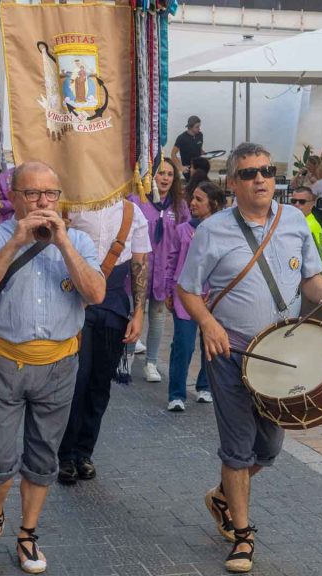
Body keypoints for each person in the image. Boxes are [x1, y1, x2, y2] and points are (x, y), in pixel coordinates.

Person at [177, 142, 322, 573]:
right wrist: (208, 325)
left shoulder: (293, 221)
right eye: (250, 173)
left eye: (267, 171)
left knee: (268, 447)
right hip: (229, 351)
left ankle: (221, 496)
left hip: (278, 355)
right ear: (232, 183)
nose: (260, 179)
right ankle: (243, 534)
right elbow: (187, 289)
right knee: (237, 446)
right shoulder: (211, 230)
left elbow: (310, 277)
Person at [0, 162, 105, 573]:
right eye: (32, 194)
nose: (43, 202)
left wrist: (63, 244)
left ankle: (28, 533)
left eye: (51, 194)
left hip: (60, 365)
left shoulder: (77, 239)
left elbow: (95, 293)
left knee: (43, 454)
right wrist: (16, 242)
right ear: (13, 198)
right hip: (5, 362)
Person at [57, 183, 151, 484]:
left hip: (113, 307)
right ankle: (65, 454)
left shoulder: (131, 212)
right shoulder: (72, 203)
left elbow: (140, 265)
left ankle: (85, 451)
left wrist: (138, 313)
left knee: (100, 383)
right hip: (75, 302)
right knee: (77, 380)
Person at [165, 181, 226, 411]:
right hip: (185, 296)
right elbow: (171, 261)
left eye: (199, 199)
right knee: (183, 344)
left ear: (214, 204)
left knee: (211, 343)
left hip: (214, 295)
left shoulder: (222, 232)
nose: (192, 203)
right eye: (193, 198)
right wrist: (169, 289)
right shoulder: (182, 230)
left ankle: (205, 386)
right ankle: (176, 393)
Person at [129, 158, 189, 382]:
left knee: (158, 318)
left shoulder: (179, 206)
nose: (165, 178)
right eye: (161, 173)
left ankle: (151, 363)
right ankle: (126, 358)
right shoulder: (137, 201)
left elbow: (183, 240)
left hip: (165, 271)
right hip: (138, 270)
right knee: (132, 314)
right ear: (151, 176)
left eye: (169, 174)